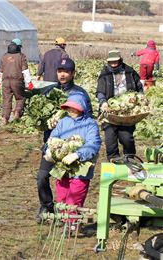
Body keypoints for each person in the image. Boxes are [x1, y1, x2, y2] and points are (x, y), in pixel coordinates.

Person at [35, 57, 93, 224]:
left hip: (71, 147)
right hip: (52, 145)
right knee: (42, 177)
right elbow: (40, 116)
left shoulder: (80, 93)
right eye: (60, 71)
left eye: (66, 71)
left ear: (73, 73)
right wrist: (46, 123)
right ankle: (46, 205)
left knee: (68, 183)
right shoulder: (48, 91)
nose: (62, 74)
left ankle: (68, 214)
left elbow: (87, 118)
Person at [44, 93, 101, 226]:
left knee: (75, 196)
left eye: (75, 108)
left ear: (83, 108)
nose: (72, 111)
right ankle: (63, 219)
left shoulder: (90, 124)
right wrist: (50, 149)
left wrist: (77, 154)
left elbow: (94, 144)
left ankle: (72, 224)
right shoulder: (64, 122)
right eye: (70, 108)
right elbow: (54, 137)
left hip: (81, 167)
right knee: (62, 193)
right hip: (62, 166)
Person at [97, 50, 143, 160]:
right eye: (111, 62)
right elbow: (100, 91)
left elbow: (139, 88)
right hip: (109, 111)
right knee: (110, 139)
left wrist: (140, 100)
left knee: (126, 137)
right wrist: (103, 102)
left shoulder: (130, 72)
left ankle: (130, 159)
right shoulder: (104, 73)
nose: (113, 64)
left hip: (127, 112)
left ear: (120, 60)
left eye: (115, 62)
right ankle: (114, 160)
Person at [0, 42, 34, 124]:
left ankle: (5, 118)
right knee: (20, 97)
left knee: (6, 100)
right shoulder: (21, 56)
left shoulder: (4, 56)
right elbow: (25, 70)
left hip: (5, 82)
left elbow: (0, 70)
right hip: (17, 81)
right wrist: (29, 82)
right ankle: (17, 112)